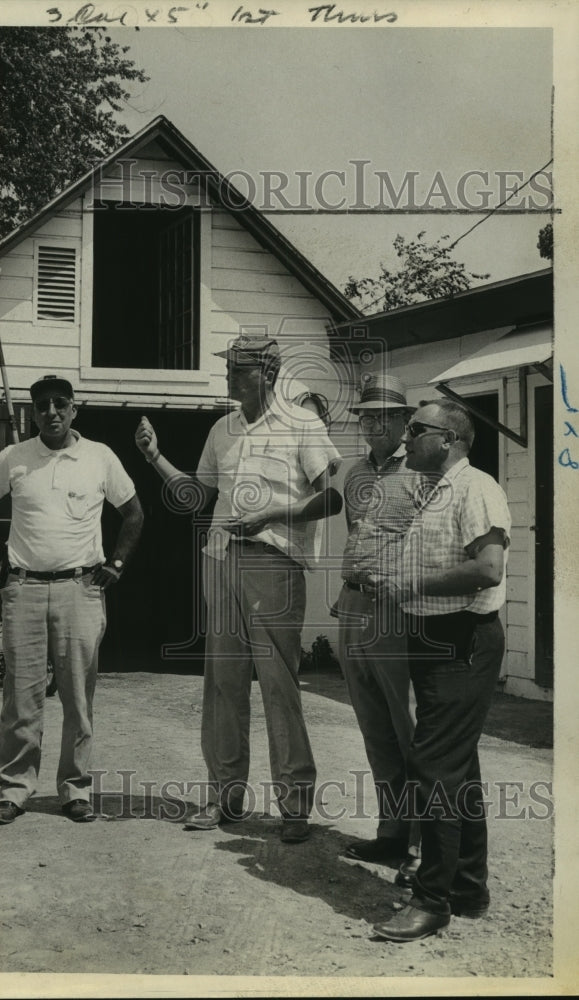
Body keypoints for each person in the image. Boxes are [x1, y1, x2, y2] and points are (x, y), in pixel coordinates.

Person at [134, 335, 342, 843]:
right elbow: (196, 495)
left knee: (278, 684)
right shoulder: (221, 428)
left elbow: (333, 497)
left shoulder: (303, 423)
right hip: (219, 558)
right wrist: (155, 457)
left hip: (275, 563)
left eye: (237, 369)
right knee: (223, 683)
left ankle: (294, 805)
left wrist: (274, 514)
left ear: (267, 372)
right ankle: (225, 795)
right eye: (228, 367)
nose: (228, 377)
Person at [369, 398, 511, 942]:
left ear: (449, 439)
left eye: (416, 429)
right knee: (457, 766)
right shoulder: (432, 491)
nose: (406, 438)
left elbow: (488, 568)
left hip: (464, 643)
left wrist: (410, 585)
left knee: (432, 766)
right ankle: (468, 888)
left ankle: (432, 901)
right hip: (432, 639)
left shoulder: (476, 487)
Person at [0, 375, 144, 825]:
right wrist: (3, 560)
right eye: (43, 405)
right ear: (34, 411)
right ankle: (14, 788)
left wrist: (117, 565)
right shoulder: (14, 458)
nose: (51, 412)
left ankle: (75, 789)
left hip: (80, 589)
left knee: (77, 696)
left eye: (60, 404)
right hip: (24, 589)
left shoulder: (99, 457)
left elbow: (133, 514)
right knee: (21, 696)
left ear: (73, 410)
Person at [335, 374, 422, 875]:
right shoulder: (354, 473)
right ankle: (392, 832)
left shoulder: (422, 474)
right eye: (364, 415)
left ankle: (423, 847)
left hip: (395, 610)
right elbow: (354, 533)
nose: (368, 423)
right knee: (373, 727)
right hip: (353, 605)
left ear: (401, 421)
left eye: (377, 415)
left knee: (408, 725)